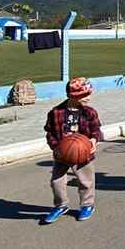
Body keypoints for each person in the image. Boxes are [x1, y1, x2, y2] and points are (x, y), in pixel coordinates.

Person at [42, 78, 102, 224]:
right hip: (62, 154)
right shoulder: (56, 112)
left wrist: (93, 140)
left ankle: (87, 205)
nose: (88, 98)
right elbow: (49, 132)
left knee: (86, 181)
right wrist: (56, 147)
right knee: (56, 181)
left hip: (83, 153)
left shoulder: (90, 113)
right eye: (84, 95)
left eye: (89, 94)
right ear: (73, 96)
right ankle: (61, 205)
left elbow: (96, 130)